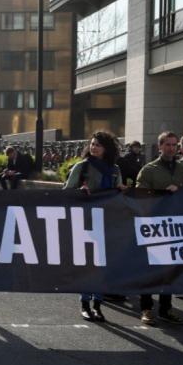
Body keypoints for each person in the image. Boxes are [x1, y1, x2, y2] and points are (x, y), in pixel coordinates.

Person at [62, 131, 126, 322]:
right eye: (92, 144)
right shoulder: (82, 167)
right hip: (86, 221)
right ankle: (84, 303)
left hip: (107, 221)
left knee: (102, 265)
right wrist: (80, 191)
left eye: (98, 144)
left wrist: (121, 190)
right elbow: (66, 191)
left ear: (107, 148)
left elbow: (118, 190)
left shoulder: (114, 170)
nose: (94, 147)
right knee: (87, 264)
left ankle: (98, 305)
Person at [135, 131, 183, 326]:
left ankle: (166, 309)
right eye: (167, 144)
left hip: (176, 227)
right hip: (153, 227)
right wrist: (164, 194)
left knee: (170, 270)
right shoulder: (148, 170)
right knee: (149, 270)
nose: (171, 148)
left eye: (175, 145)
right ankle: (146, 308)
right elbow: (140, 197)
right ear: (159, 147)